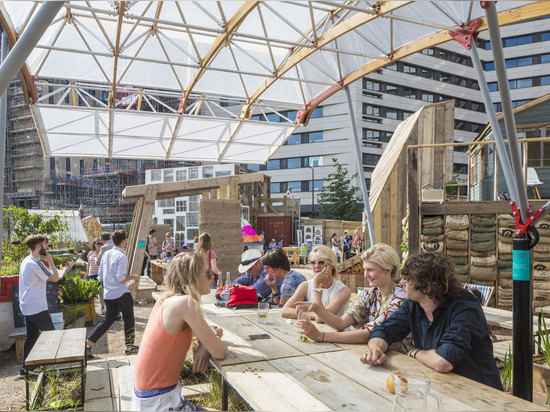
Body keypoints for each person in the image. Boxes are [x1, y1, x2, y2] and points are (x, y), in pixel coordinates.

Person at [362, 252, 503, 390]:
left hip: (481, 394)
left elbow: (443, 361)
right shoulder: (413, 304)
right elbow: (385, 330)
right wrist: (376, 348)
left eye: (408, 279)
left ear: (427, 287)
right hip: (444, 387)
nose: (402, 282)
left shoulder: (464, 308)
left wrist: (413, 352)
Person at [133, 252, 226, 411]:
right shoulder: (186, 303)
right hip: (159, 402)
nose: (212, 278)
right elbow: (219, 351)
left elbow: (211, 333)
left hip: (148, 399)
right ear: (193, 277)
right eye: (208, 273)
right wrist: (206, 345)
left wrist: (205, 344)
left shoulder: (166, 300)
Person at [295, 243, 404, 344]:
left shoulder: (400, 298)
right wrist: (316, 308)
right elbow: (341, 323)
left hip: (401, 359)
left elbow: (368, 334)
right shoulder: (369, 294)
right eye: (364, 270)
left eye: (370, 270)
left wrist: (320, 336)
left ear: (388, 270)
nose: (365, 275)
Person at [86, 230, 140, 359]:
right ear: (123, 241)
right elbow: (121, 277)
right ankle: (129, 347)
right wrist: (134, 277)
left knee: (107, 321)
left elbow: (100, 276)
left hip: (108, 294)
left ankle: (88, 344)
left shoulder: (106, 254)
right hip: (121, 293)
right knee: (129, 319)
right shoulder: (121, 256)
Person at [18, 235, 60, 377]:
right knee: (52, 335)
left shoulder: (26, 260)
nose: (47, 247)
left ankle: (26, 368)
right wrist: (51, 261)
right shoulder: (35, 263)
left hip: (28, 306)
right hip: (36, 307)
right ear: (38, 247)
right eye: (45, 244)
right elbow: (55, 278)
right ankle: (52, 367)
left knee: (32, 335)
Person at [282, 245, 350, 319]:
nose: (316, 266)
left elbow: (321, 318)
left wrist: (316, 285)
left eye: (321, 262)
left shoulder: (343, 291)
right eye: (313, 263)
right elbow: (285, 310)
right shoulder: (305, 285)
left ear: (332, 265)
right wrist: (312, 315)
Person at [87, 238, 105, 314]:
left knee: (101, 292)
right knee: (93, 293)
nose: (98, 244)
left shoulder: (103, 254)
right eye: (97, 243)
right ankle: (92, 308)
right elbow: (88, 264)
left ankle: (103, 307)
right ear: (94, 244)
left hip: (100, 275)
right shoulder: (90, 253)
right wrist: (87, 273)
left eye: (100, 243)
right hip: (91, 275)